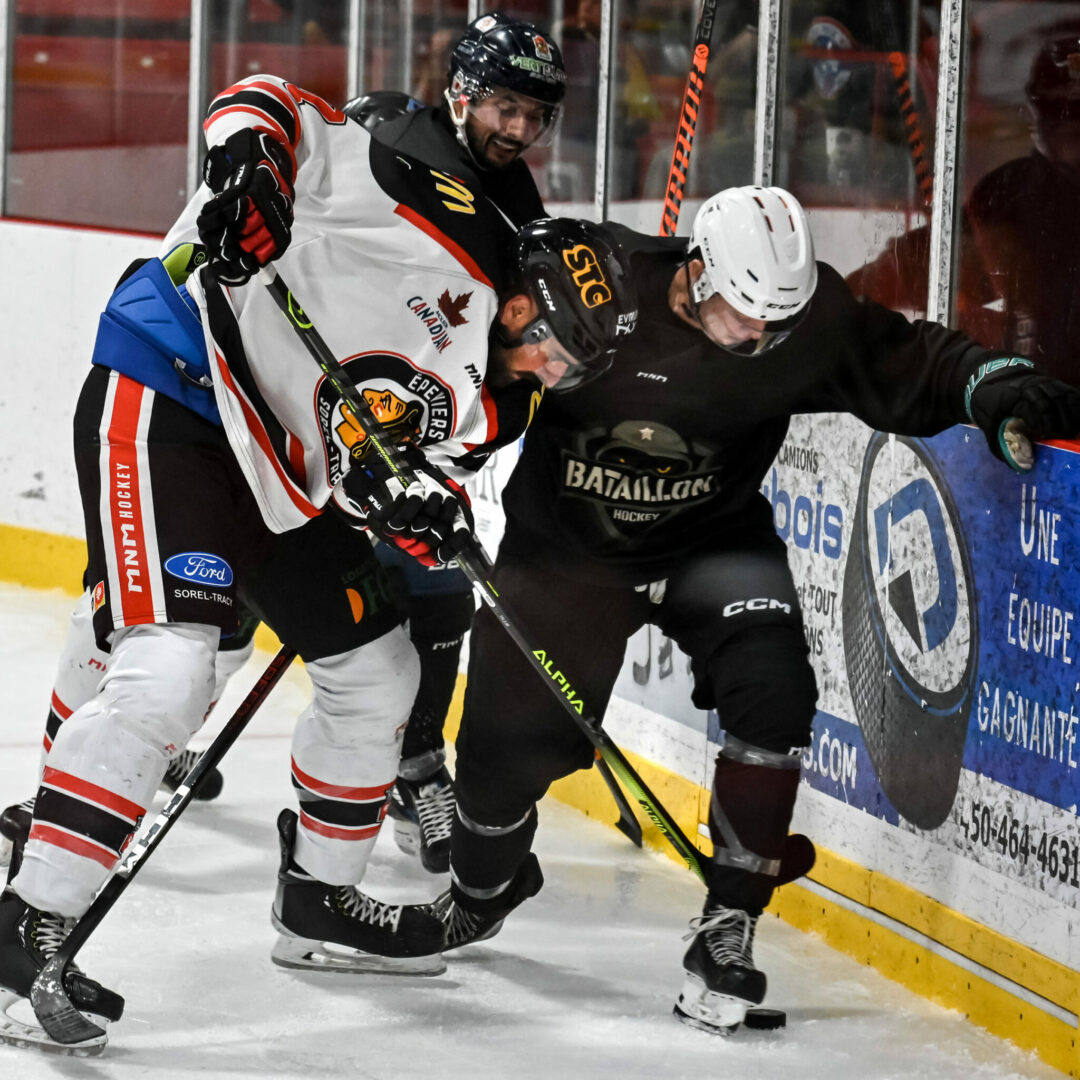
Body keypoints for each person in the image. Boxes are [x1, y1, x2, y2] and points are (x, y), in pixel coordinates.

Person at [0, 61, 633, 1055]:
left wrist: (413, 505)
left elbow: (383, 456)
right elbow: (270, 98)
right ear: (523, 306)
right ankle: (23, 929)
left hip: (281, 471)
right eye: (557, 349)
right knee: (170, 670)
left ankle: (319, 899)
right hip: (179, 391)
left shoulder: (502, 393)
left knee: (378, 671)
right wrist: (250, 166)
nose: (554, 374)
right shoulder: (425, 223)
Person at [425, 185, 1080, 1037]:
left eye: (779, 321)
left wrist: (996, 385)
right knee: (504, 756)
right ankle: (485, 883)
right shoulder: (598, 284)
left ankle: (729, 923)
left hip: (713, 545)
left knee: (774, 691)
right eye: (745, 314)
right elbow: (471, 338)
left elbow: (916, 360)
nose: (763, 338)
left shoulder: (802, 321)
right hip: (569, 559)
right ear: (696, 274)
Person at [342, 12, 566, 873]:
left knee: (440, 590)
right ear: (464, 91)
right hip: (315, 403)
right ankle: (166, 733)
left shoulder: (518, 205)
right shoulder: (385, 137)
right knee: (257, 578)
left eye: (534, 114)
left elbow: (508, 335)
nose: (518, 128)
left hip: (410, 425)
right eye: (504, 105)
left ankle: (416, 762)